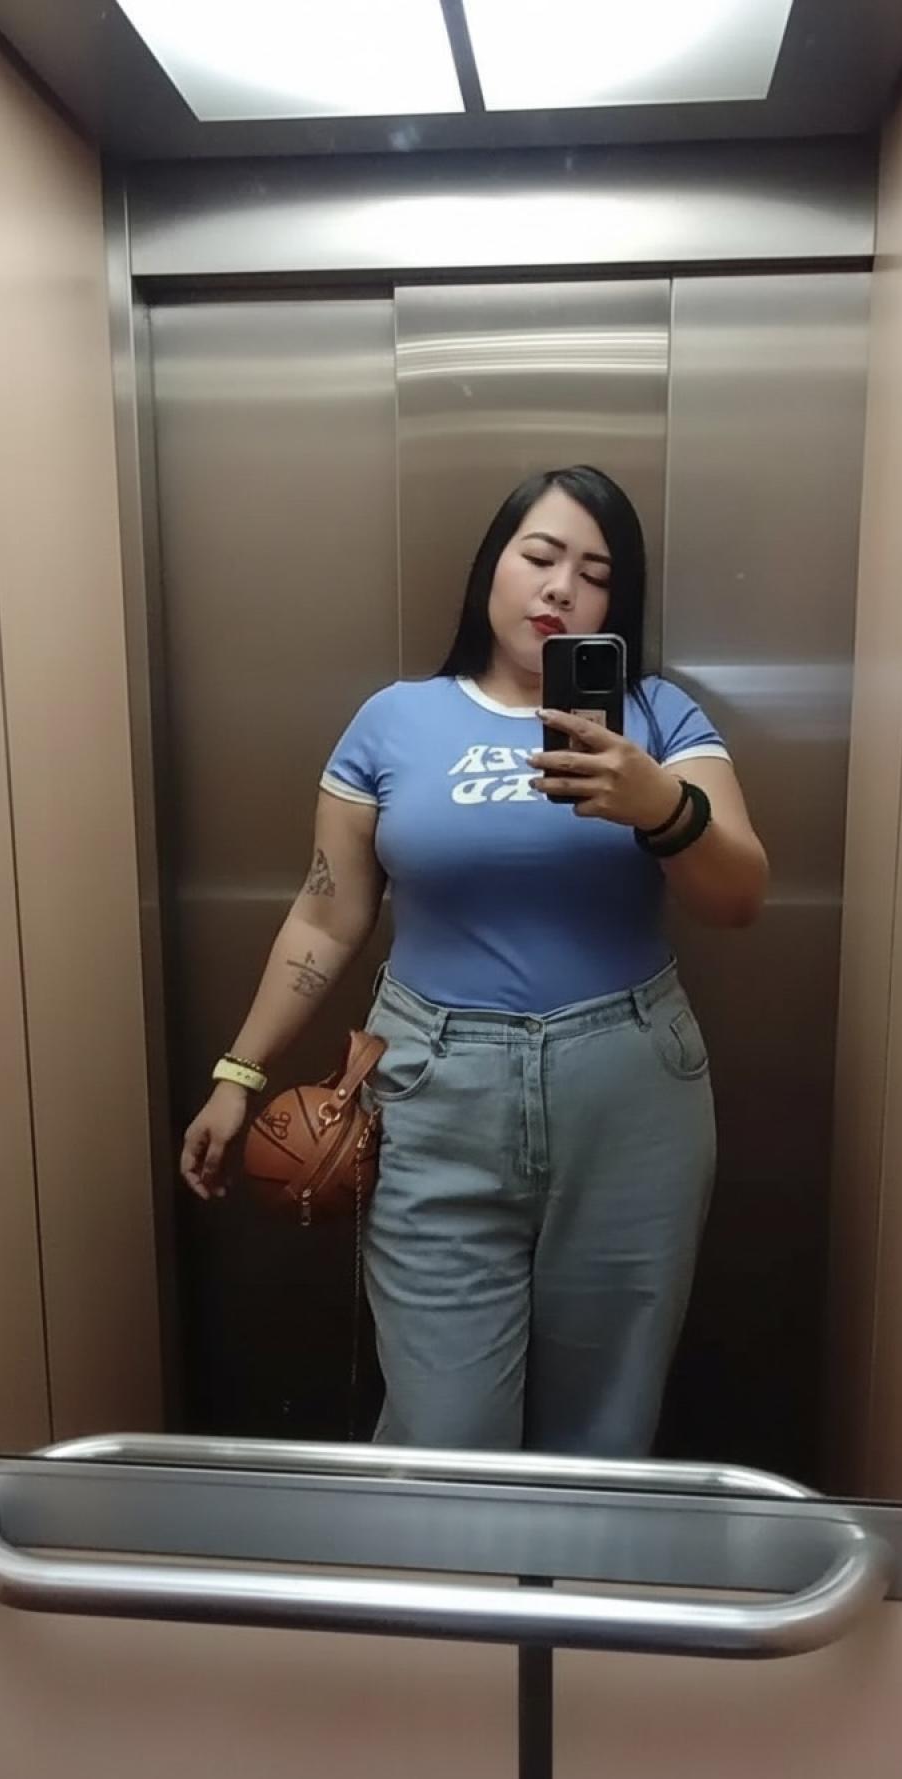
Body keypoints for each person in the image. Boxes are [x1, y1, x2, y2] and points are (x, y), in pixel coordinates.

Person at [181, 464, 768, 1457]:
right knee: (443, 1433)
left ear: (616, 603)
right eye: (539, 556)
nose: (560, 588)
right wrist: (240, 1072)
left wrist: (661, 806)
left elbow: (739, 896)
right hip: (431, 1089)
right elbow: (326, 916)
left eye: (595, 574)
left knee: (601, 1433)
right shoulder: (394, 719)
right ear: (492, 566)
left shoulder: (657, 716)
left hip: (628, 1089)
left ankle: (574, 1569)